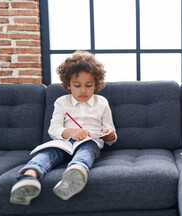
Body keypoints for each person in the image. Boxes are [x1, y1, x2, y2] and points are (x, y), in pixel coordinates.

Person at [10, 50, 117, 205]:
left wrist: (110, 136)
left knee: (88, 149)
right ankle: (29, 178)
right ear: (68, 84)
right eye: (77, 85)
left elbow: (110, 130)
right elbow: (54, 129)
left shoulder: (102, 102)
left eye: (89, 85)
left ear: (96, 84)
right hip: (64, 143)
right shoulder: (61, 102)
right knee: (47, 152)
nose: (83, 90)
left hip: (90, 141)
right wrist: (70, 132)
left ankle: (75, 175)